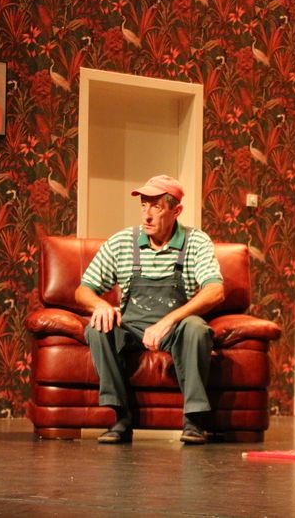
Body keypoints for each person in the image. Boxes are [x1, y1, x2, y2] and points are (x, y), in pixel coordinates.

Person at [75, 175, 225, 444]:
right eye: (144, 205)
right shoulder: (122, 241)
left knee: (197, 328)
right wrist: (101, 305)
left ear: (176, 211)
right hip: (131, 327)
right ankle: (120, 418)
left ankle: (194, 420)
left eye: (156, 207)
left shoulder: (196, 241)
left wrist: (168, 321)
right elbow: (82, 290)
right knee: (97, 327)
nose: (146, 215)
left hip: (176, 328)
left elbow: (215, 290)